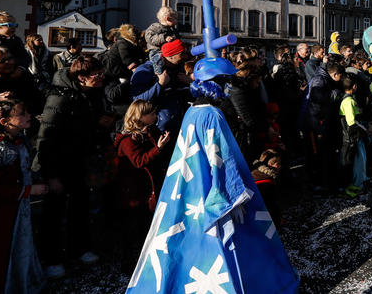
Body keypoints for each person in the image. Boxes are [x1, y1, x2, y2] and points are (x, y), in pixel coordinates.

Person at [126, 56, 299, 293]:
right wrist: (229, 191)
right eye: (226, 81)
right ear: (216, 83)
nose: (229, 86)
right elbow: (222, 158)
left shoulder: (191, 111)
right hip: (211, 188)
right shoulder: (213, 115)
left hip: (190, 188)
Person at [32, 56, 109, 278]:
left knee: (80, 207)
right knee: (53, 214)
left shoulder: (91, 94)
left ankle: (79, 249)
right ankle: (51, 259)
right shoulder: (59, 99)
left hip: (79, 161)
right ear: (82, 78)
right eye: (97, 75)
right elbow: (45, 138)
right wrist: (51, 176)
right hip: (56, 163)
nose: (102, 78)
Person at [0, 100, 47, 294]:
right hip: (4, 214)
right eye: (22, 114)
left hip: (19, 209)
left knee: (22, 246)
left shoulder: (19, 140)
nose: (28, 116)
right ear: (5, 121)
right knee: (5, 250)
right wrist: (27, 191)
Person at [113, 100, 172, 271]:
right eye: (151, 113)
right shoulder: (128, 140)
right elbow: (139, 161)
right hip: (133, 191)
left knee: (146, 225)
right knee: (134, 228)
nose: (155, 115)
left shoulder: (150, 131)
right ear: (140, 117)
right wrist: (158, 148)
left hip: (147, 186)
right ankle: (130, 263)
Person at [299, 60, 343, 191]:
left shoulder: (324, 78)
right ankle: (315, 182)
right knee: (316, 153)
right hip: (315, 122)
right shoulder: (320, 79)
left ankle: (322, 180)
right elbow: (316, 95)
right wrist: (335, 94)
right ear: (335, 74)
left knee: (322, 153)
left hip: (320, 121)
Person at [130, 39, 192, 132]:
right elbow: (137, 99)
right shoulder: (146, 70)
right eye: (182, 54)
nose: (185, 57)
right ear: (170, 56)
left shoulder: (178, 69)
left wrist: (190, 83)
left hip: (176, 125)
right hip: (155, 129)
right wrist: (160, 85)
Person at [339, 75, 368, 197]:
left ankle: (360, 181)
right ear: (354, 86)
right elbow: (351, 122)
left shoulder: (347, 99)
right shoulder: (349, 101)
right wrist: (365, 130)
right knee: (359, 161)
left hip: (351, 136)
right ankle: (358, 183)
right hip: (353, 137)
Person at [0, 48, 43, 117]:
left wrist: (15, 100)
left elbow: (38, 103)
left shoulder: (24, 76)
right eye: (2, 61)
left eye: (10, 58)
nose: (8, 62)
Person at [144, 6, 180, 75]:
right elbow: (149, 37)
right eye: (175, 18)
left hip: (168, 51)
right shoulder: (156, 27)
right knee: (158, 60)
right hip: (156, 50)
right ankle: (158, 75)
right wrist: (163, 38)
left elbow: (177, 38)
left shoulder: (172, 29)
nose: (177, 21)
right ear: (168, 19)